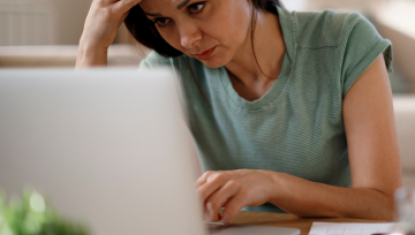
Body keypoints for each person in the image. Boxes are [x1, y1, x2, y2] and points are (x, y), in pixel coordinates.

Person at [76, 0, 402, 225]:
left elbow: (384, 205)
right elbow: (98, 180)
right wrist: (93, 42)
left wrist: (272, 184)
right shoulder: (166, 72)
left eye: (196, 6)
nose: (187, 39)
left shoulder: (343, 41)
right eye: (162, 20)